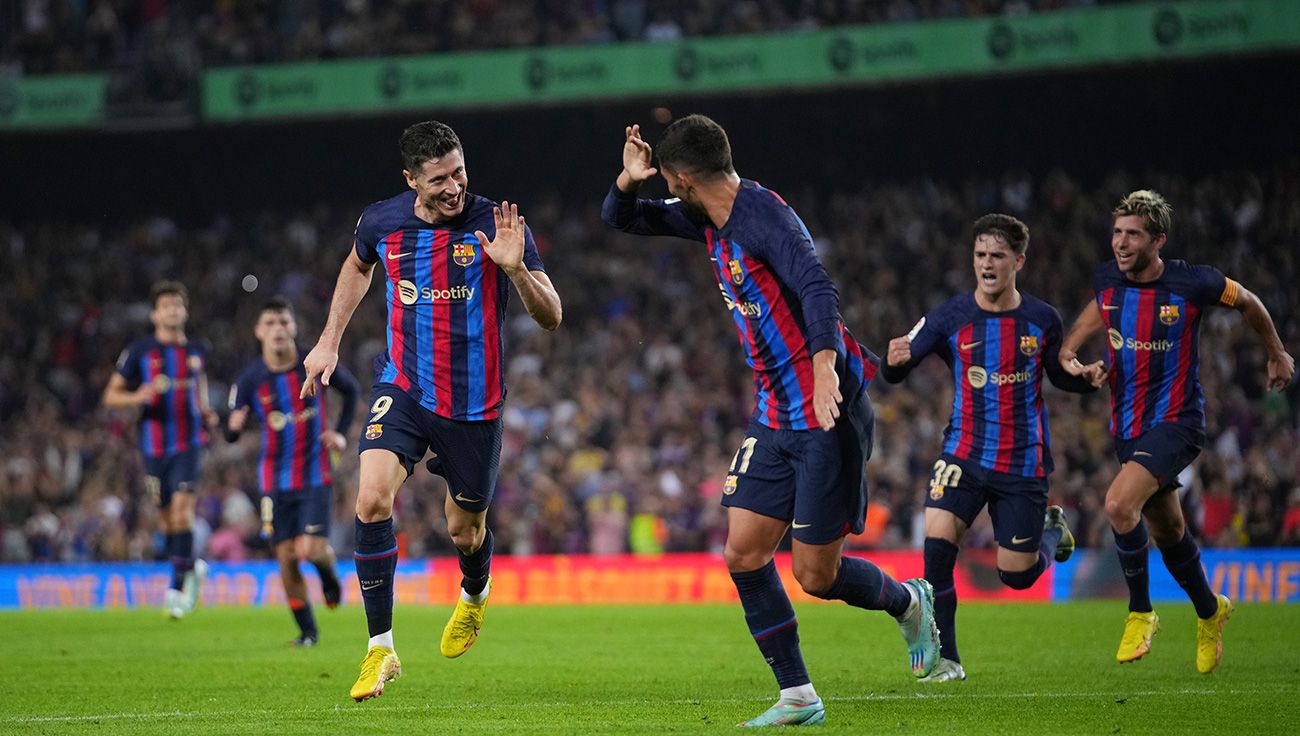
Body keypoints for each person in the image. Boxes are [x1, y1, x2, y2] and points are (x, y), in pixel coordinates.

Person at [601, 116, 940, 727]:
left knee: (816, 574)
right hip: (773, 413)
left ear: (680, 177)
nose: (666, 192)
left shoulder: (766, 220)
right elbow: (620, 219)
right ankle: (798, 695)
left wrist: (825, 367)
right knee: (744, 554)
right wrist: (627, 182)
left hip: (823, 408)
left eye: (664, 181)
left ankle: (907, 600)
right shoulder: (706, 216)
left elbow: (817, 288)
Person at [300, 120, 562, 701]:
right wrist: (329, 340)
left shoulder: (498, 225)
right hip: (405, 387)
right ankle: (380, 650)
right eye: (439, 178)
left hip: (474, 405)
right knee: (369, 497)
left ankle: (474, 593)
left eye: (460, 172)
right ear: (411, 179)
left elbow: (552, 316)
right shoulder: (382, 222)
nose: (454, 187)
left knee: (465, 531)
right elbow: (356, 265)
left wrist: (516, 268)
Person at [1060, 189, 1294, 673]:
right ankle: (1211, 612)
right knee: (1167, 531)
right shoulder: (1107, 279)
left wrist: (1276, 352)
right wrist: (1071, 357)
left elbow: (1248, 301)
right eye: (1117, 232)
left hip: (1179, 422)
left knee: (1119, 504)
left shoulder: (1195, 283)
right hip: (1128, 427)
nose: (1121, 243)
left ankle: (1141, 611)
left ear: (1158, 240)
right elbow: (1099, 310)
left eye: (1133, 234)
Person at [881, 214, 1102, 682]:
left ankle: (1048, 531)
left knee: (1017, 576)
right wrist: (894, 361)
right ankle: (948, 661)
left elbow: (1058, 373)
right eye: (980, 254)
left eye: (998, 255)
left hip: (1022, 461)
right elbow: (900, 363)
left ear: (1018, 261)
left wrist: (1083, 380)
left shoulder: (1042, 320)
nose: (987, 263)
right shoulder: (949, 316)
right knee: (937, 549)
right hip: (962, 451)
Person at [227, 297, 359, 646]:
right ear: (258, 332)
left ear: (294, 328)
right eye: (270, 323)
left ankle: (329, 577)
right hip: (273, 479)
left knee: (312, 550)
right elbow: (230, 430)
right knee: (286, 557)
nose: (278, 329)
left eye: (284, 322)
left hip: (315, 472)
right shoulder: (250, 379)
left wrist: (341, 432)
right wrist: (235, 426)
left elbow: (351, 390)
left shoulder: (311, 361)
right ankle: (307, 632)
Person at [102, 280, 217, 618]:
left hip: (190, 443)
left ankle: (176, 591)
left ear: (185, 311)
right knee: (167, 523)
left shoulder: (197, 349)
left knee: (183, 513)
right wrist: (139, 396)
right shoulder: (140, 351)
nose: (172, 310)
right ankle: (191, 568)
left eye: (177, 305)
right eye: (166, 305)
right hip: (154, 446)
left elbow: (201, 383)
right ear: (155, 314)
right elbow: (111, 395)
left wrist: (205, 408)